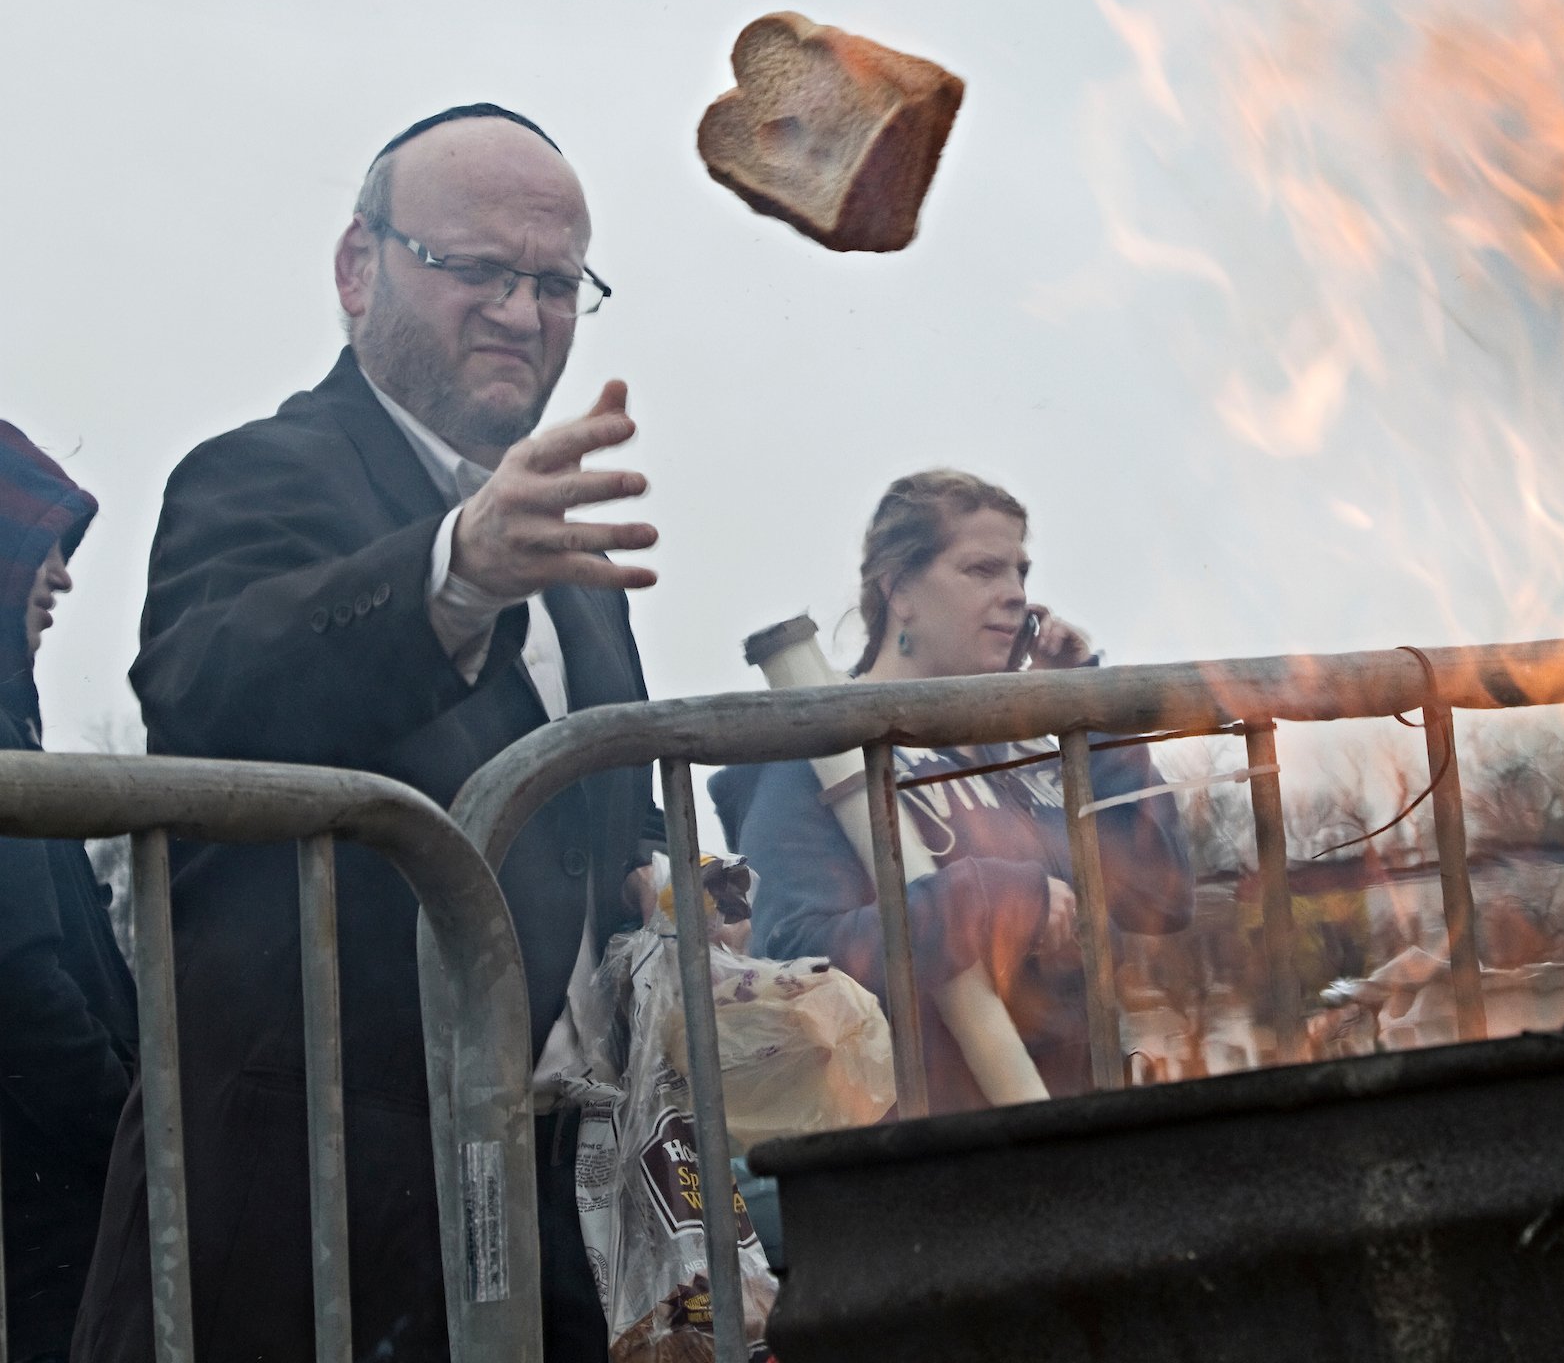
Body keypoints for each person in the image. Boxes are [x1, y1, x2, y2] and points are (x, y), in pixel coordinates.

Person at [76, 106, 663, 1363]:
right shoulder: (253, 475)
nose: (522, 311)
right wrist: (452, 574)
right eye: (478, 270)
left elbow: (600, 816)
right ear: (359, 268)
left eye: (557, 282)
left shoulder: (576, 553)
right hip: (310, 1234)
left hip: (554, 1220)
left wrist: (674, 897)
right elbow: (210, 690)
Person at [713, 470, 1195, 1113]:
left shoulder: (1032, 749)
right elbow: (798, 964)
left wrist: (1090, 705)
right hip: (929, 1156)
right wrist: (991, 901)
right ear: (900, 591)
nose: (1015, 595)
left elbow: (1160, 895)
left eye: (1021, 572)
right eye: (982, 570)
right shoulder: (821, 755)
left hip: (1084, 1126)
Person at [0, 424, 136, 1363]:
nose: (62, 575)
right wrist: (136, 1138)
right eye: (38, 540)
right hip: (39, 1222)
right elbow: (22, 990)